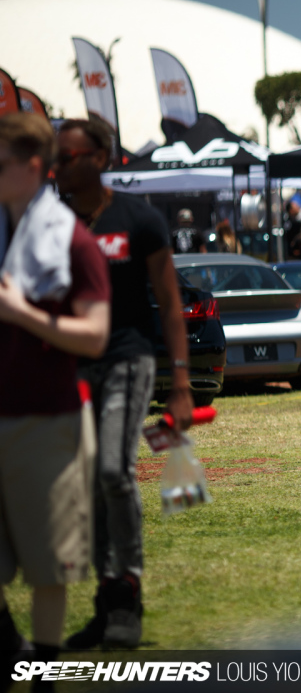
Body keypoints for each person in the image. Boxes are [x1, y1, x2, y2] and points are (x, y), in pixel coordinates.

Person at [52, 118, 194, 651]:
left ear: (99, 157)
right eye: (55, 157)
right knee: (88, 485)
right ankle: (106, 600)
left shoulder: (139, 219)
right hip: (72, 367)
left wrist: (180, 382)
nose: (57, 166)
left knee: (114, 469)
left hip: (128, 360)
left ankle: (128, 589)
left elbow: (171, 302)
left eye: (67, 157)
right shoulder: (52, 222)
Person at [0, 113, 111, 672]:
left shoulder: (70, 240)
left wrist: (22, 313)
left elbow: (94, 335)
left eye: (1, 164)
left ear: (34, 168)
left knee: (49, 565)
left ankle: (44, 673)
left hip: (46, 421)